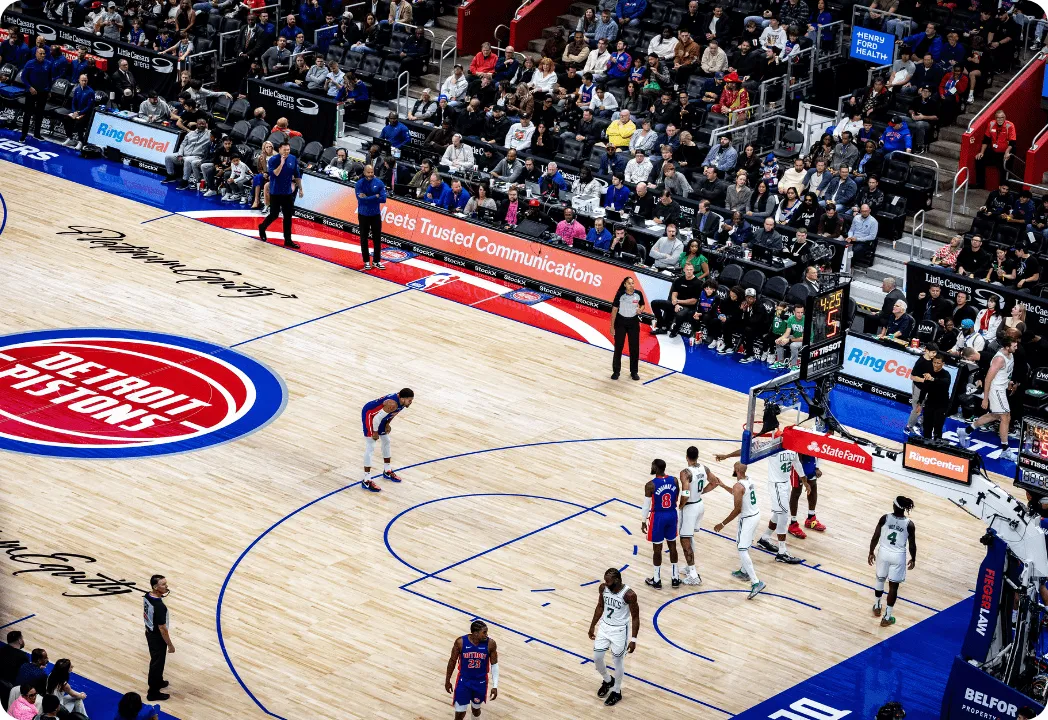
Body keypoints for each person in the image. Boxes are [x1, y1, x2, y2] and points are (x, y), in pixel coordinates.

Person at [957, 329, 1019, 462]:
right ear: (1007, 347)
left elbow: (1005, 373)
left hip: (1001, 388)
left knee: (994, 415)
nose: (1016, 347)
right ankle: (1005, 450)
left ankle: (966, 431)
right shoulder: (998, 359)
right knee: (1005, 417)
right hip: (996, 390)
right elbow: (988, 379)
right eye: (1014, 346)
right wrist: (985, 398)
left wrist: (1009, 382)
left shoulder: (1010, 355)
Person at [587, 567, 638, 707]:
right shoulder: (603, 588)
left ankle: (617, 691)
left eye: (608, 582)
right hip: (604, 627)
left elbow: (635, 617)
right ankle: (608, 680)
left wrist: (633, 639)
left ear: (617, 580)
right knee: (597, 658)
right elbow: (600, 607)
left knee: (617, 660)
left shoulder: (629, 595)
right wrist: (592, 626)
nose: (605, 584)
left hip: (620, 631)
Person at [714, 462, 766, 599]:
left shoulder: (738, 486)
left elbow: (738, 509)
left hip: (748, 518)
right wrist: (723, 485)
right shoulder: (748, 480)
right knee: (741, 543)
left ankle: (756, 582)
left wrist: (722, 524)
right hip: (756, 515)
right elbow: (737, 493)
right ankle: (744, 571)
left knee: (742, 549)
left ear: (737, 470)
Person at [677, 446, 725, 585]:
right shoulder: (704, 468)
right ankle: (688, 567)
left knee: (684, 539)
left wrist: (681, 505)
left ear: (686, 457)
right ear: (697, 456)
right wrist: (701, 492)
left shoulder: (685, 473)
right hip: (699, 504)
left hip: (690, 507)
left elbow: (685, 493)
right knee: (689, 536)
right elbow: (715, 482)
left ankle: (693, 574)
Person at [868, 496, 917, 626]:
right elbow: (912, 545)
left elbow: (875, 537)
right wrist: (913, 558)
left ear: (895, 506)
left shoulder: (885, 518)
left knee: (880, 579)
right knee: (893, 587)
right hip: (898, 556)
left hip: (884, 553)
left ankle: (877, 606)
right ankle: (887, 617)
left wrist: (871, 551)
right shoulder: (909, 524)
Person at [755, 446, 806, 564]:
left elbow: (797, 464)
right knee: (783, 516)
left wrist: (804, 481)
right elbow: (748, 453)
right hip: (776, 486)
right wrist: (727, 456)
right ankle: (782, 553)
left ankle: (764, 539)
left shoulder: (793, 450)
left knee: (778, 515)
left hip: (786, 484)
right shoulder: (773, 451)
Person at [360, 388, 414, 492]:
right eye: (409, 400)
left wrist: (387, 423)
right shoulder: (393, 403)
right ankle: (366, 481)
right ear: (402, 399)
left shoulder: (402, 403)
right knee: (371, 445)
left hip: (381, 416)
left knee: (386, 440)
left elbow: (393, 413)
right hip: (370, 415)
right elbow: (376, 419)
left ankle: (387, 470)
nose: (411, 403)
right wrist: (375, 432)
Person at [444, 621, 499, 720]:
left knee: (476, 710)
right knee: (459, 713)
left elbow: (494, 665)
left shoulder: (490, 644)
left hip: (480, 682)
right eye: (484, 632)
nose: (486, 635)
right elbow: (452, 661)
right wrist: (447, 680)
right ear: (476, 633)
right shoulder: (460, 642)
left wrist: (495, 686)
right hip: (464, 681)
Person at [642, 459, 681, 589]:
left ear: (656, 468)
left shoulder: (650, 485)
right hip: (671, 514)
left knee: (657, 549)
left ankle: (657, 580)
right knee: (673, 546)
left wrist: (643, 521)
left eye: (652, 466)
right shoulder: (675, 480)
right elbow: (677, 496)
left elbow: (646, 506)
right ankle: (675, 578)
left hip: (658, 516)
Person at [257, 143, 302, 250]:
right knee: (274, 215)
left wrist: (300, 188)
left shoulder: (293, 158)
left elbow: (297, 175)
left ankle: (288, 240)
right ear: (279, 149)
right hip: (276, 192)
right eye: (285, 150)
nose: (287, 152)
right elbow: (275, 174)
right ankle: (262, 227)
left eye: (288, 150)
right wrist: (281, 163)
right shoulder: (273, 160)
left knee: (288, 217)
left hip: (287, 192)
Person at [143, 575, 174, 701]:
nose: (166, 586)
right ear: (156, 588)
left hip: (149, 631)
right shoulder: (160, 607)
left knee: (157, 661)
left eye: (166, 583)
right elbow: (163, 629)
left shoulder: (147, 595)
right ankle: (153, 692)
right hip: (156, 637)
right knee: (157, 664)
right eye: (163, 584)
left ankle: (159, 681)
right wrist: (170, 645)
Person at [651, 263, 700, 336]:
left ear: (693, 270)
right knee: (654, 303)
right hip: (676, 303)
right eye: (687, 270)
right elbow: (674, 294)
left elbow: (693, 301)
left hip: (688, 307)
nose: (689, 271)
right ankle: (662, 325)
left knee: (680, 314)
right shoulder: (679, 280)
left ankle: (675, 330)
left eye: (691, 270)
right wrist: (676, 304)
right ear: (684, 270)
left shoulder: (698, 283)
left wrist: (678, 302)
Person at [610, 277, 643, 381]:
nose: (631, 285)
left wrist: (640, 310)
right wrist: (612, 326)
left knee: (634, 348)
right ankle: (616, 371)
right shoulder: (620, 294)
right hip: (620, 322)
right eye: (629, 283)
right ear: (625, 284)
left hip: (633, 323)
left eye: (633, 283)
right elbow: (614, 310)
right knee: (618, 347)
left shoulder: (638, 294)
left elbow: (643, 305)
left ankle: (634, 372)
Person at [355, 164, 387, 271]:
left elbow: (383, 199)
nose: (370, 174)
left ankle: (376, 261)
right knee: (364, 238)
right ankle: (366, 261)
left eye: (372, 172)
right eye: (368, 172)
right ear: (364, 173)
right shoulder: (359, 184)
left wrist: (368, 197)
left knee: (377, 238)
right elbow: (361, 200)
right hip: (363, 214)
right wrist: (375, 196)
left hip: (375, 215)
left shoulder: (379, 183)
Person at [974, 110, 1016, 188]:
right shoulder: (991, 124)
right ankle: (980, 184)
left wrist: (1007, 152)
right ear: (995, 118)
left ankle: (1002, 188)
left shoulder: (1010, 126)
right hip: (994, 151)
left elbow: (1012, 143)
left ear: (1005, 118)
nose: (1000, 120)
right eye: (998, 118)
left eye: (1002, 118)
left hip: (1005, 152)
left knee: (1004, 168)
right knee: (979, 159)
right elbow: (986, 140)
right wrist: (982, 152)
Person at [19, 46, 53, 142]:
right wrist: (29, 87)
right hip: (31, 92)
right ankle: (23, 134)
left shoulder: (48, 64)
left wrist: (49, 90)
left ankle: (37, 134)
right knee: (28, 114)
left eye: (44, 53)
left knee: (40, 113)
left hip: (43, 92)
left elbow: (50, 78)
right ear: (36, 54)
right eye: (41, 53)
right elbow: (23, 77)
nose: (43, 55)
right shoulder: (30, 63)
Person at [905, 343, 939, 435]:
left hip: (929, 389)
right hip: (919, 389)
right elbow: (912, 377)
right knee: (917, 409)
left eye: (935, 353)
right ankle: (909, 427)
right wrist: (924, 380)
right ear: (926, 350)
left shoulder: (933, 360)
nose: (934, 355)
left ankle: (920, 422)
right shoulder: (921, 362)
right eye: (933, 353)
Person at [788, 455, 824, 538]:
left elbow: (819, 449)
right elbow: (797, 457)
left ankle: (811, 518)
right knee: (796, 492)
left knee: (813, 486)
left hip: (810, 459)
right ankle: (793, 524)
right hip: (797, 461)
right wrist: (801, 475)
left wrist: (817, 467)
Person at [918, 353, 952, 441]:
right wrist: (919, 402)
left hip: (942, 404)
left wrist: (933, 379)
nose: (936, 365)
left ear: (943, 364)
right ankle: (926, 442)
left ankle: (937, 444)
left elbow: (945, 383)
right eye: (934, 362)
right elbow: (924, 388)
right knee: (927, 425)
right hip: (930, 402)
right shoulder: (928, 373)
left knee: (938, 426)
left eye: (938, 363)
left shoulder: (946, 374)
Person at [772, 304, 805, 369]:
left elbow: (804, 338)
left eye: (802, 312)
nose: (800, 314)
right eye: (798, 312)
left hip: (807, 341)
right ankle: (780, 362)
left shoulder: (806, 321)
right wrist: (781, 338)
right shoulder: (791, 318)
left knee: (793, 345)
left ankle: (794, 366)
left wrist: (789, 340)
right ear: (794, 312)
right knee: (779, 341)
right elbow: (787, 333)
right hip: (795, 337)